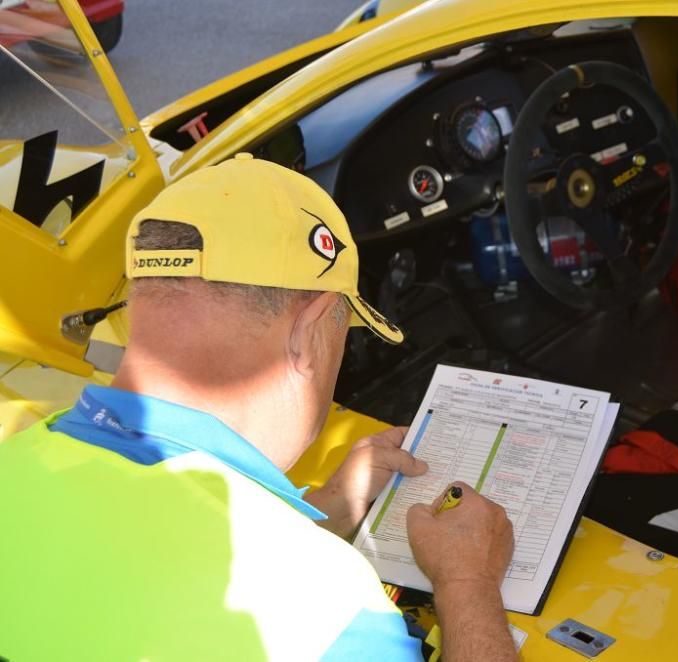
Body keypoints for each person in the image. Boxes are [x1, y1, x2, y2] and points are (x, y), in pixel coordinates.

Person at [0, 154, 517, 661]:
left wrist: (319, 512)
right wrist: (467, 582)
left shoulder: (17, 461)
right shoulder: (317, 609)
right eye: (342, 337)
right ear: (308, 327)